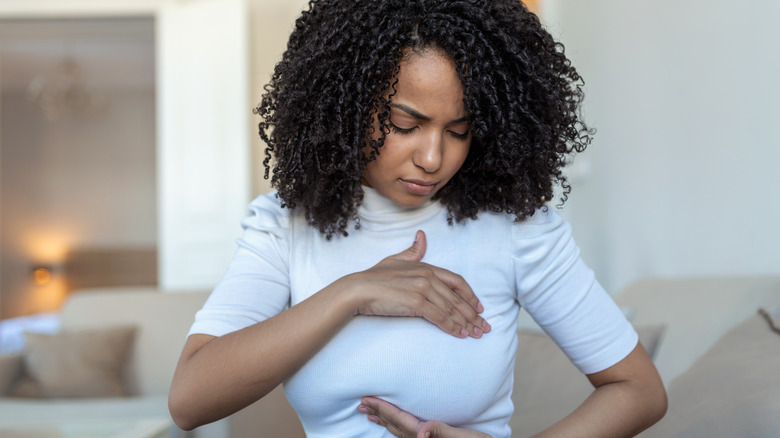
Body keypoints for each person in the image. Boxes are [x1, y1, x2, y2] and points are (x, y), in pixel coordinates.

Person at [168, 0, 667, 437]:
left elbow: (639, 391)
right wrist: (355, 292)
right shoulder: (285, 225)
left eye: (459, 131)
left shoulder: (516, 227)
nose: (433, 158)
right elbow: (190, 401)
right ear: (347, 105)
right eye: (406, 125)